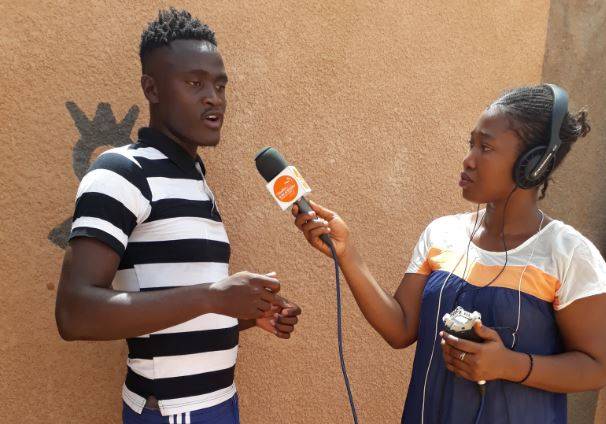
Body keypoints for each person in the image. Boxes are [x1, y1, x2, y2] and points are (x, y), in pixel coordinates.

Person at [292, 84, 606, 423]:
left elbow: (596, 366)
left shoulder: (569, 254)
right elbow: (400, 329)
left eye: (485, 147)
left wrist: (510, 365)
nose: (468, 160)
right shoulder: (441, 234)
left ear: (533, 164)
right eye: (471, 144)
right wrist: (347, 253)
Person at [55, 8, 301, 424]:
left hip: (220, 402)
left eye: (220, 85)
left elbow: (177, 310)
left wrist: (246, 312)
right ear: (151, 88)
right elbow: (73, 313)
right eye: (194, 83)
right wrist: (212, 295)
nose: (214, 98)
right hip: (171, 412)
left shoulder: (196, 179)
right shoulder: (123, 172)